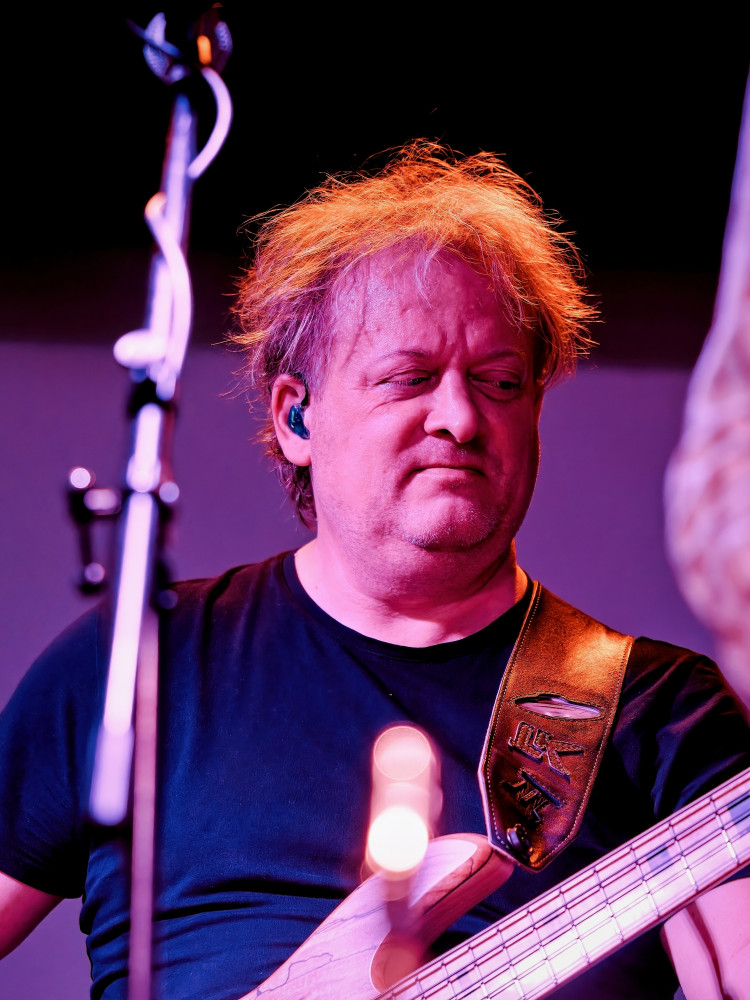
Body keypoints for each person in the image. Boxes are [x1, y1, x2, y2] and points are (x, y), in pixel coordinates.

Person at [1, 141, 749, 1000]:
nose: (460, 417)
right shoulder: (139, 663)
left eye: (500, 382)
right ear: (297, 418)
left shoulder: (664, 717)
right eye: (410, 378)